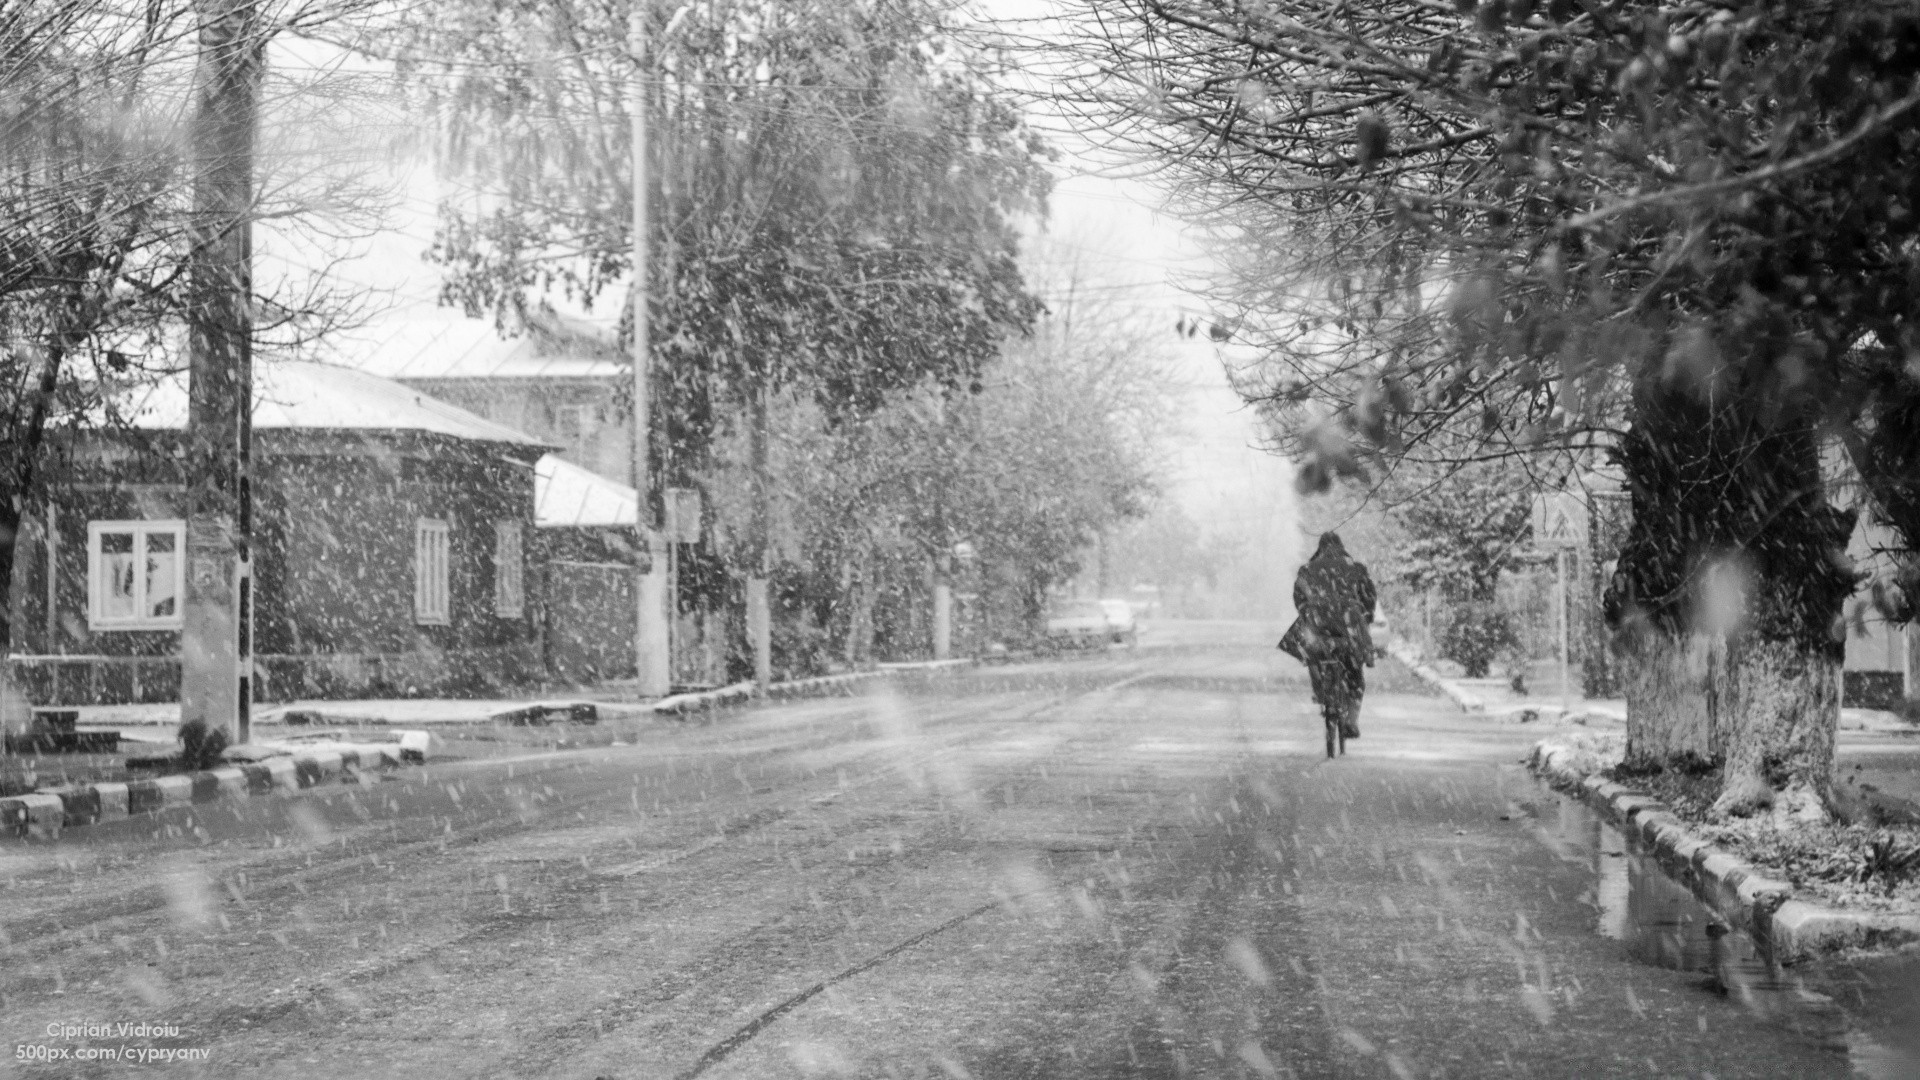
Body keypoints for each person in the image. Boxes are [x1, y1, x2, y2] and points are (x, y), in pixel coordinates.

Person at [1286, 531, 1377, 757]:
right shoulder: (1356, 568)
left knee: (1313, 657)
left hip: (1318, 626)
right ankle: (1351, 720)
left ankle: (1321, 690)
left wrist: (1308, 611)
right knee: (1355, 670)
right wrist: (1366, 617)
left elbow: (1299, 598)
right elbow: (1369, 598)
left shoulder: (1308, 570)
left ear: (1320, 549)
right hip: (1349, 626)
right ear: (1341, 547)